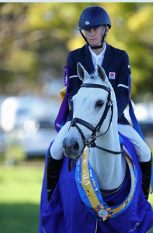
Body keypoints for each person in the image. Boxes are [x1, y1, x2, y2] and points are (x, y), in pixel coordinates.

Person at [47, 5, 152, 200]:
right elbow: (72, 93)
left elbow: (123, 94)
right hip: (81, 120)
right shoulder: (74, 57)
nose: (91, 33)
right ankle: (51, 196)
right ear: (82, 33)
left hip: (115, 119)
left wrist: (109, 120)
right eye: (87, 30)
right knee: (54, 149)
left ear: (105, 29)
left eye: (96, 29)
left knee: (145, 152)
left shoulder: (120, 57)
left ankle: (142, 200)